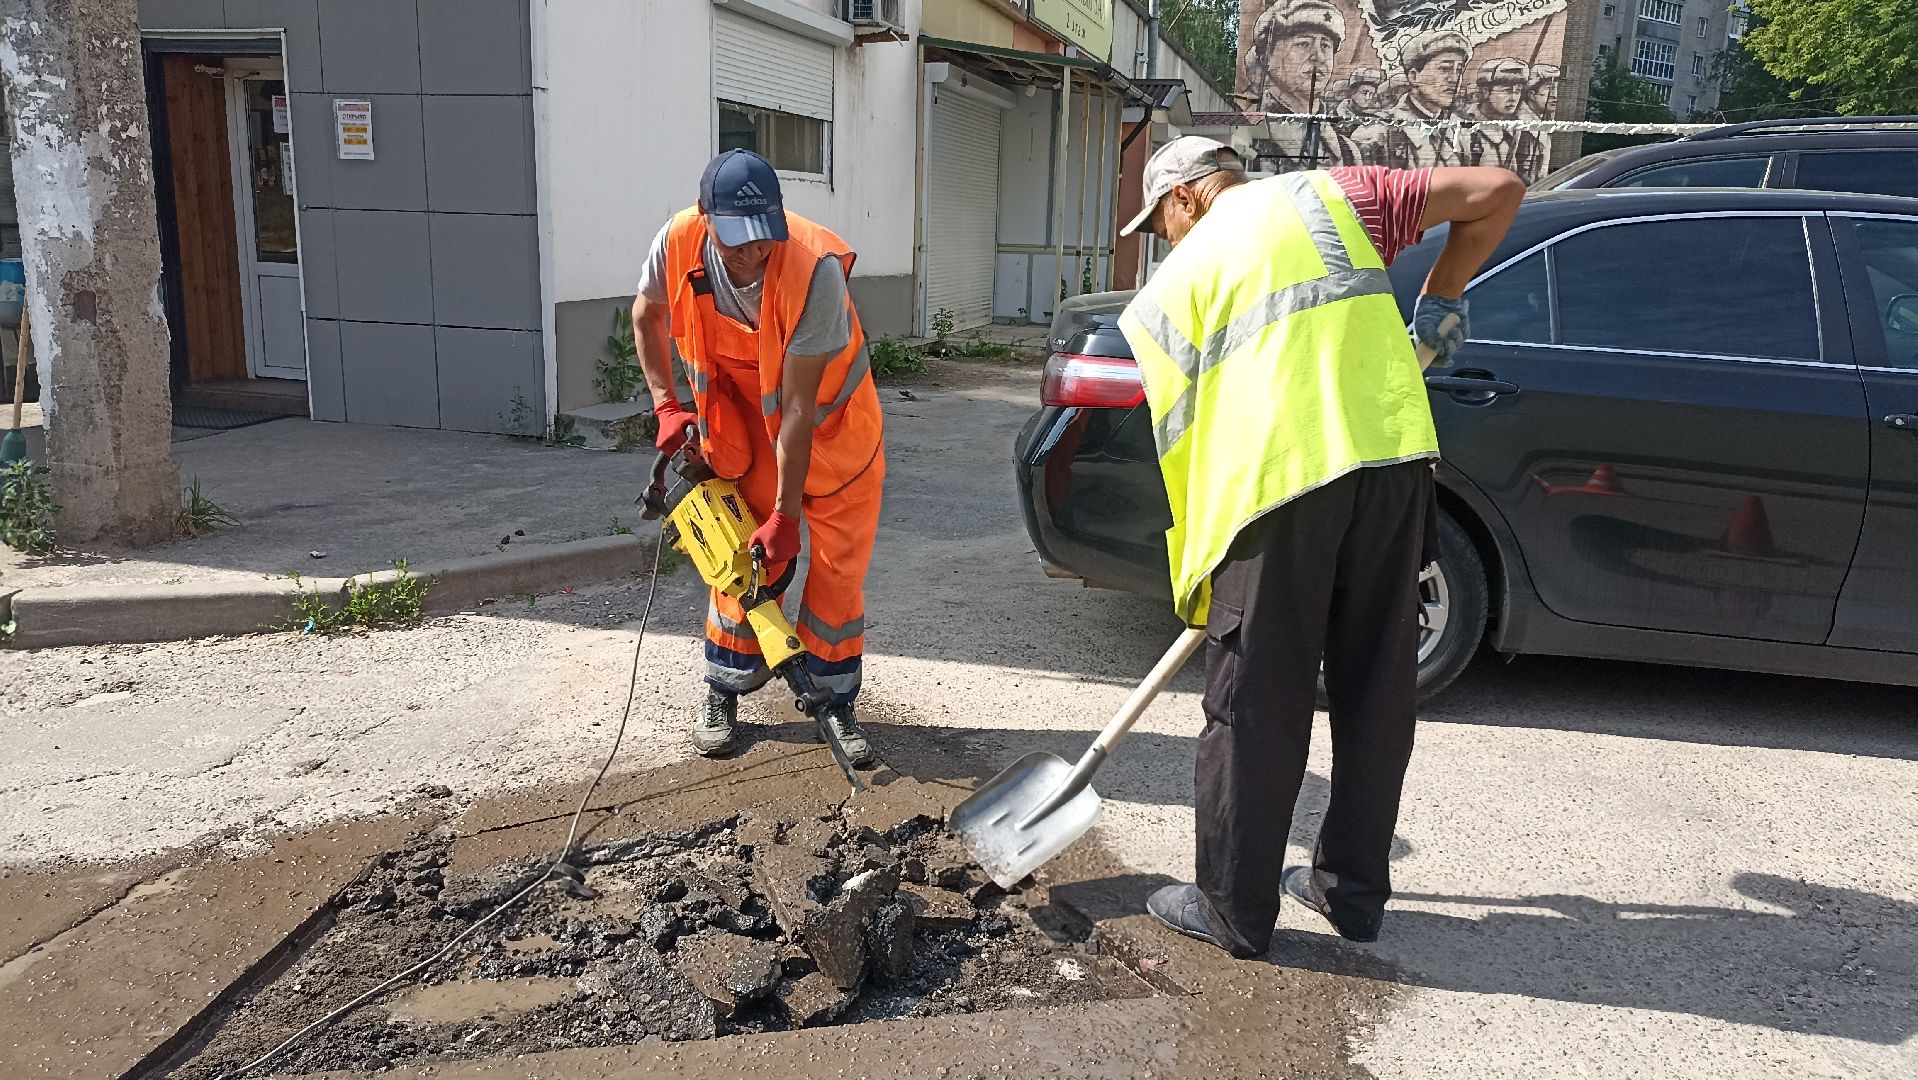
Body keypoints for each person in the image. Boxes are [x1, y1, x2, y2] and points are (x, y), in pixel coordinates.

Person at [1114, 136, 1522, 957]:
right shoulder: (1334, 197)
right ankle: (1350, 894)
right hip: (1394, 461)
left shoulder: (1167, 295)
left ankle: (1232, 906)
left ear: (1188, 195)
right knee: (1378, 684)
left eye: (1160, 222)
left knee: (1255, 701)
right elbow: (1499, 189)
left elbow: (1184, 453)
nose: (1166, 243)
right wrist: (1442, 294)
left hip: (1279, 486)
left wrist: (1205, 576)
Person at [632, 149, 884, 766]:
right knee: (738, 555)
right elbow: (646, 316)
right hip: (745, 430)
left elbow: (797, 409)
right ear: (704, 216)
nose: (750, 256)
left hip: (834, 437)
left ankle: (833, 700)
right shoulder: (679, 241)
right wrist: (667, 406)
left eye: (761, 240)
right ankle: (725, 686)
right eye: (736, 242)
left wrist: (787, 515)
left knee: (836, 573)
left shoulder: (812, 269)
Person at [1383, 31, 1472, 168]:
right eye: (1444, 69)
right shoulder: (1383, 133)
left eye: (1459, 70)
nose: (1454, 79)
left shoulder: (1461, 131)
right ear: (1414, 77)